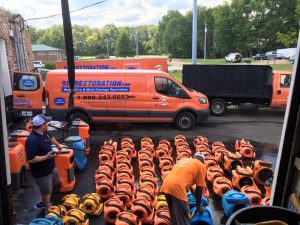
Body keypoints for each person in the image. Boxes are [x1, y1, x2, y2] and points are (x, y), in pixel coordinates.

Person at [25, 114, 65, 210]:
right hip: (41, 172)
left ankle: (41, 202)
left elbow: (50, 138)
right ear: (42, 125)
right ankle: (47, 210)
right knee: (46, 191)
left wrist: (58, 145)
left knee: (51, 185)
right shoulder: (32, 140)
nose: (48, 124)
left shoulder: (44, 132)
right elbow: (31, 159)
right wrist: (46, 157)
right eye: (47, 123)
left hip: (50, 167)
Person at [160, 152, 207, 225]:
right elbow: (199, 189)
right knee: (183, 215)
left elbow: (183, 176)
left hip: (166, 184)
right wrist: (198, 206)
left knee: (174, 213)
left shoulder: (184, 160)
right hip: (177, 187)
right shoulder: (201, 166)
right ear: (203, 161)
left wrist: (191, 191)